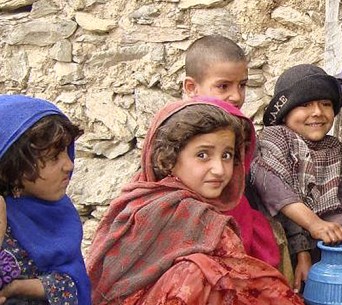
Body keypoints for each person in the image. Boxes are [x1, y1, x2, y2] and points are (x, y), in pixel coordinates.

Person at [86, 98, 303, 305]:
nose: (219, 169)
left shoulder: (136, 198)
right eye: (202, 155)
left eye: (227, 155)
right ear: (168, 159)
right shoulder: (196, 218)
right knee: (198, 269)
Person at [183, 34, 282, 270]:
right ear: (191, 87)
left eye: (242, 85)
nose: (236, 96)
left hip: (238, 224)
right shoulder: (179, 130)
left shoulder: (239, 128)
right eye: (223, 86)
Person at [251, 64, 342, 294]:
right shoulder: (276, 138)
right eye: (305, 104)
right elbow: (276, 190)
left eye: (325, 104)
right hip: (283, 245)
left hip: (328, 251)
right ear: (285, 112)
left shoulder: (337, 150)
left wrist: (336, 248)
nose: (317, 112)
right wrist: (303, 249)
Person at [0, 95, 91, 305]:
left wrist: (19, 288)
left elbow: (73, 282)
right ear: (10, 168)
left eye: (67, 153)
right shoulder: (5, 218)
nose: (69, 166)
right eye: (53, 158)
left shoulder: (58, 214)